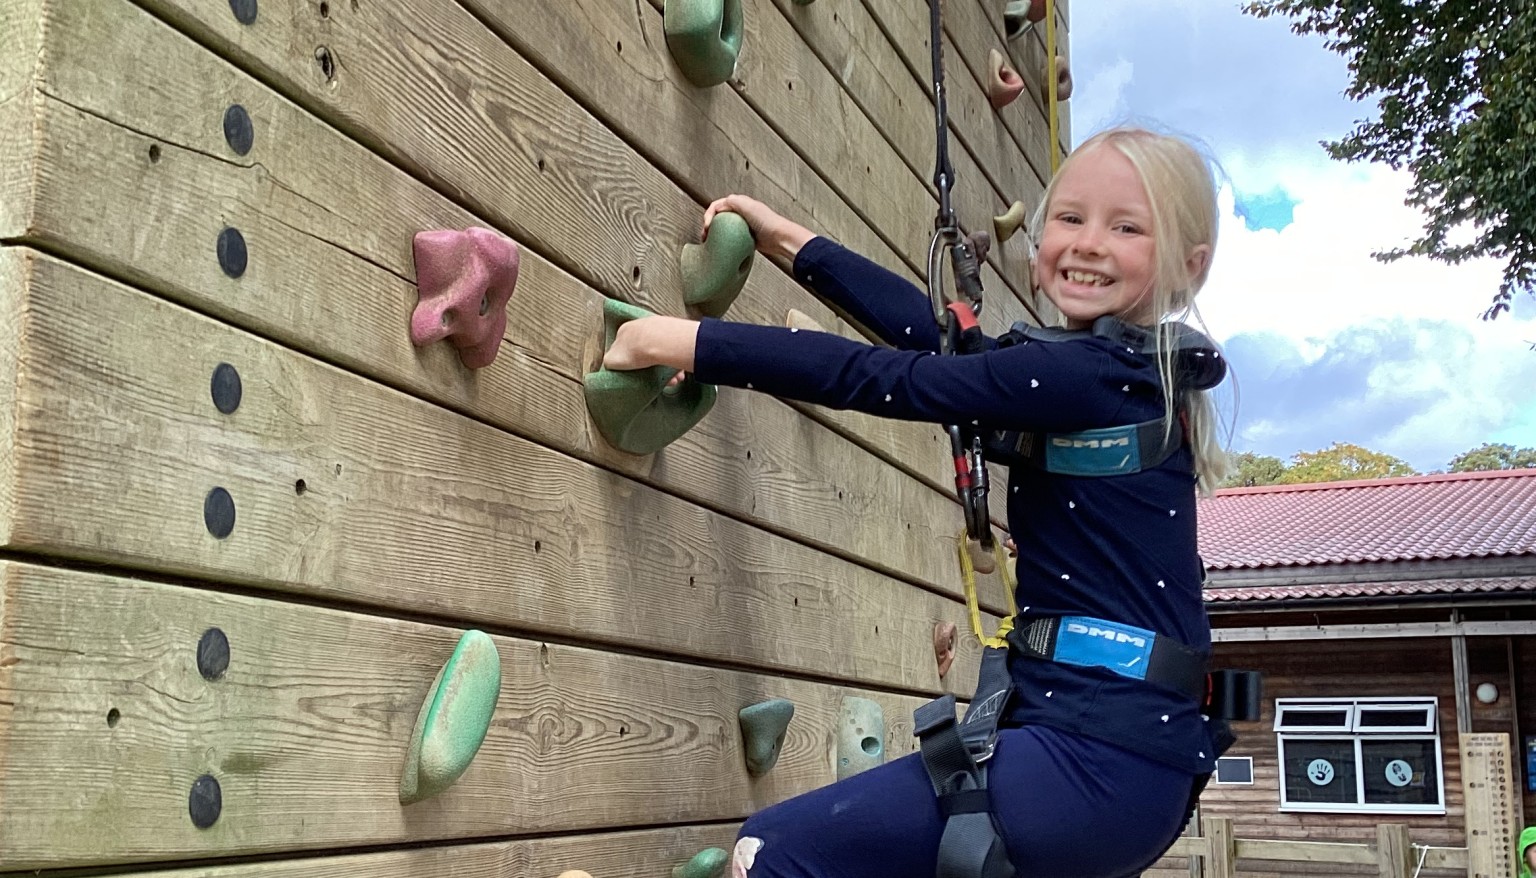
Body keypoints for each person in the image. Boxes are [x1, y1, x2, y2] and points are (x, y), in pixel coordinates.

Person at [604, 126, 1233, 878]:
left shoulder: (1096, 379)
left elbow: (891, 378)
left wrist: (672, 341)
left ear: (1188, 267)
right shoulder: (1119, 380)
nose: (1088, 243)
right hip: (1124, 768)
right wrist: (791, 244)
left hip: (1093, 762)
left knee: (773, 854)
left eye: (1126, 227)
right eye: (1069, 219)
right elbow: (942, 344)